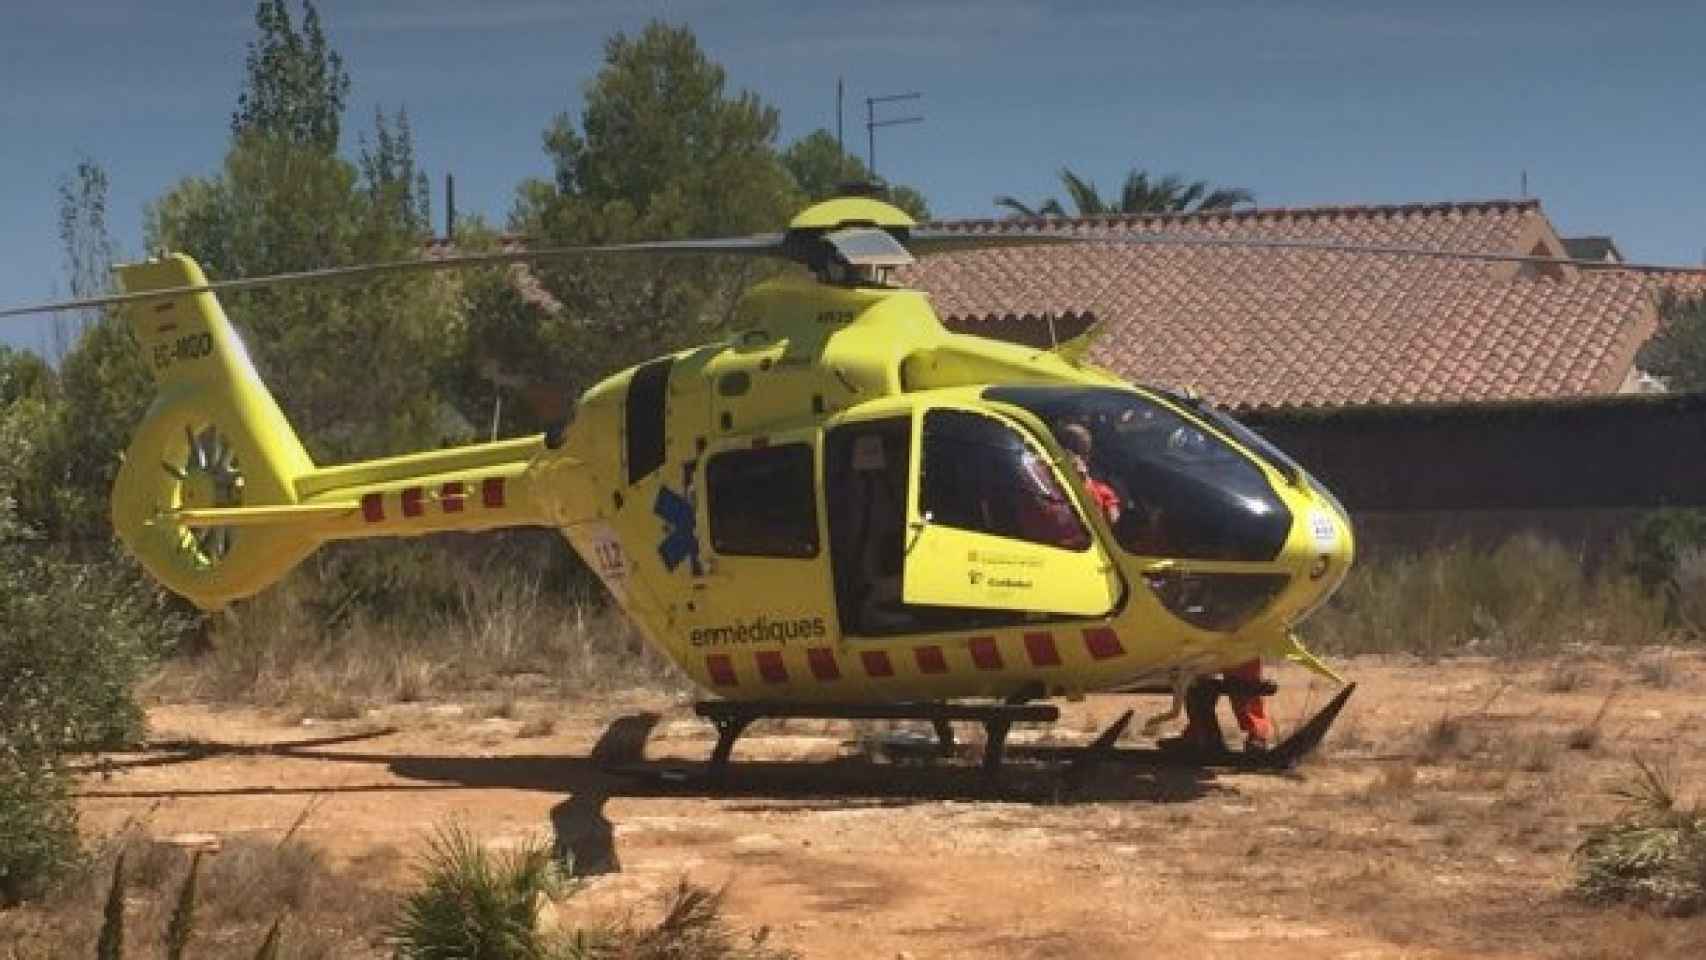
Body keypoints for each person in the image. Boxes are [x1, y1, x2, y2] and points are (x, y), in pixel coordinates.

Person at [1058, 423, 1121, 525]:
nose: (1075, 458)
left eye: (1081, 452)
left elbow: (1115, 528)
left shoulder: (1103, 492)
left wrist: (1083, 482)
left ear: (1088, 456)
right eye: (1069, 449)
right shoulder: (1044, 484)